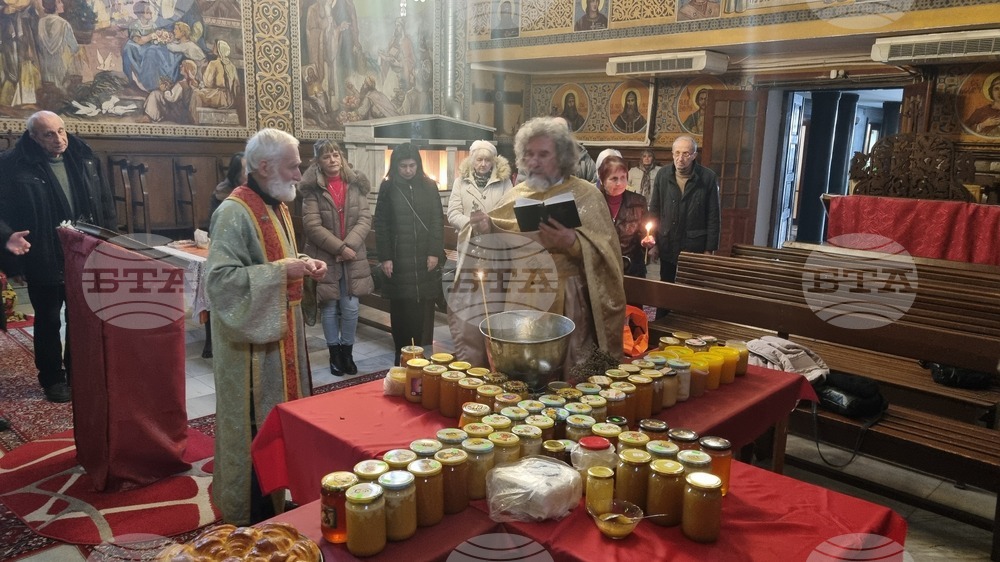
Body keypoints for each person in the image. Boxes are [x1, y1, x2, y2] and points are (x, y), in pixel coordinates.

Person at [205, 128, 327, 524]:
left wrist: (304, 263)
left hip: (282, 334)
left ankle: (278, 499)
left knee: (284, 421)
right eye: (293, 165)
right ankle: (253, 513)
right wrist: (281, 271)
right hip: (252, 351)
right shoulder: (233, 212)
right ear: (264, 166)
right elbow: (221, 283)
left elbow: (278, 257)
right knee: (257, 427)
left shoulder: (277, 205)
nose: (299, 173)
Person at [468, 116, 625, 378]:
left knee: (565, 373)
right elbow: (500, 247)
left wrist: (573, 243)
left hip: (567, 297)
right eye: (529, 154)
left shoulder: (587, 195)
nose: (534, 161)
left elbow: (607, 256)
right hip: (521, 294)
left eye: (543, 154)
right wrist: (488, 229)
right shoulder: (516, 195)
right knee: (520, 370)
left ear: (562, 156)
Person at [0, 111, 117, 404]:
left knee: (80, 317)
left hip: (85, 251)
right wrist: (8, 241)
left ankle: (77, 372)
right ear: (33, 137)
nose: (59, 139)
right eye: (49, 134)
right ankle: (52, 378)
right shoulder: (12, 165)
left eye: (61, 131)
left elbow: (104, 201)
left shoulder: (84, 157)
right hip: (43, 252)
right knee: (49, 318)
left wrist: (111, 243)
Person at [300, 140, 374, 376]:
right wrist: (339, 248)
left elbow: (364, 218)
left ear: (341, 157)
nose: (332, 160)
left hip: (352, 256)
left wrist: (349, 246)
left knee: (351, 307)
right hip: (325, 256)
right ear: (318, 162)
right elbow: (312, 225)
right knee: (330, 306)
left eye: (335, 155)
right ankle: (334, 354)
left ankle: (347, 352)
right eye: (326, 156)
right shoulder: (312, 189)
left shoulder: (355, 184)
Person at [373, 143, 444, 365]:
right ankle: (400, 355)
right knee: (400, 309)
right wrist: (385, 257)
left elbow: (436, 221)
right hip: (397, 257)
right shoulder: (388, 187)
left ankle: (416, 355)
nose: (408, 170)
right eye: (403, 166)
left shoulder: (429, 186)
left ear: (418, 164)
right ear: (395, 166)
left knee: (419, 309)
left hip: (423, 257)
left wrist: (434, 252)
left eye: (412, 165)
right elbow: (381, 224)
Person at [446, 140, 512, 365]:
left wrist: (490, 225)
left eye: (487, 160)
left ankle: (495, 356)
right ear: (472, 161)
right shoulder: (460, 182)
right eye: (479, 160)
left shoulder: (504, 183)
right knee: (470, 302)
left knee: (494, 302)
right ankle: (472, 354)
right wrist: (472, 225)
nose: (483, 164)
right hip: (470, 249)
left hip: (495, 251)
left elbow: (509, 214)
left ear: (494, 162)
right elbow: (453, 212)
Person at [648, 135, 720, 289]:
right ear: (672, 153)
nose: (680, 158)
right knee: (666, 289)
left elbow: (713, 216)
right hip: (667, 242)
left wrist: (709, 250)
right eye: (677, 153)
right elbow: (654, 210)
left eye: (686, 154)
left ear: (694, 155)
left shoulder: (708, 178)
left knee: (691, 291)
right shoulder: (663, 175)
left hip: (694, 246)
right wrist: (652, 242)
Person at [201, 152, 246, 359]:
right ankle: (214, 341)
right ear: (236, 173)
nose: (248, 174)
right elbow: (215, 225)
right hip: (228, 250)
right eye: (244, 169)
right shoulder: (223, 195)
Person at [598, 155, 653, 278]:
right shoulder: (594, 202)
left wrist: (646, 240)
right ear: (602, 180)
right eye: (614, 179)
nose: (620, 183)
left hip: (631, 268)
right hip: (602, 268)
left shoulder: (638, 202)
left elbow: (644, 233)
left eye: (623, 177)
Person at [36, 0, 80, 94]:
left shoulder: (40, 23)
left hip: (44, 69)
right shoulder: (64, 24)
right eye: (59, 2)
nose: (62, 4)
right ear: (54, 6)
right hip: (60, 70)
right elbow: (74, 47)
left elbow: (38, 47)